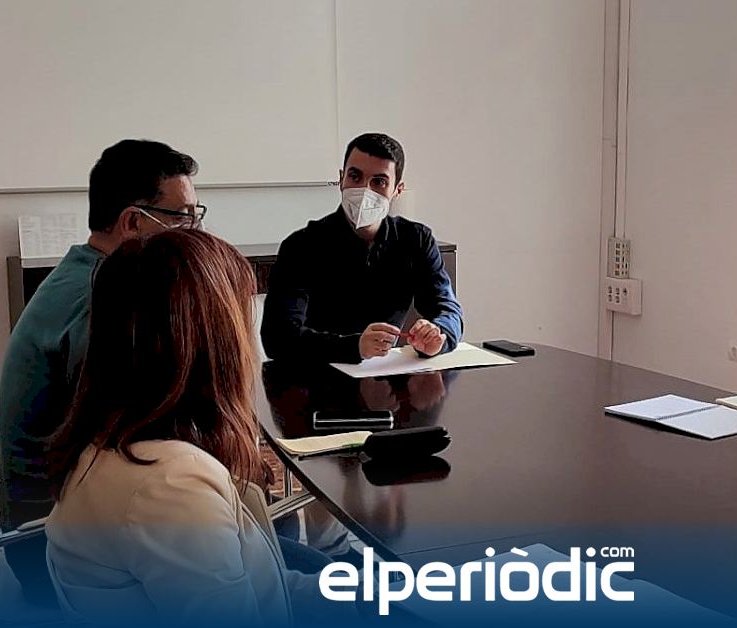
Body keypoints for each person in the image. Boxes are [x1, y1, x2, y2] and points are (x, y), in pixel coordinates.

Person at [46, 230, 343, 625]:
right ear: (215, 345)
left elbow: (262, 585)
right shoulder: (169, 485)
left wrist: (363, 597)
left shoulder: (111, 439)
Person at [0, 139, 203, 604]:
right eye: (182, 217)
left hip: (53, 516)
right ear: (133, 222)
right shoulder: (98, 300)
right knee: (261, 525)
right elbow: (135, 432)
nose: (193, 230)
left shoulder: (81, 270)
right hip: (50, 545)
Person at [261, 132, 463, 363]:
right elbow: (277, 338)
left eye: (379, 182)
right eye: (355, 176)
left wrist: (438, 336)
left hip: (389, 376)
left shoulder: (416, 239)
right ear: (341, 179)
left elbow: (448, 309)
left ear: (397, 190)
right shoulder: (302, 246)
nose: (364, 190)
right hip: (317, 375)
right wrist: (354, 347)